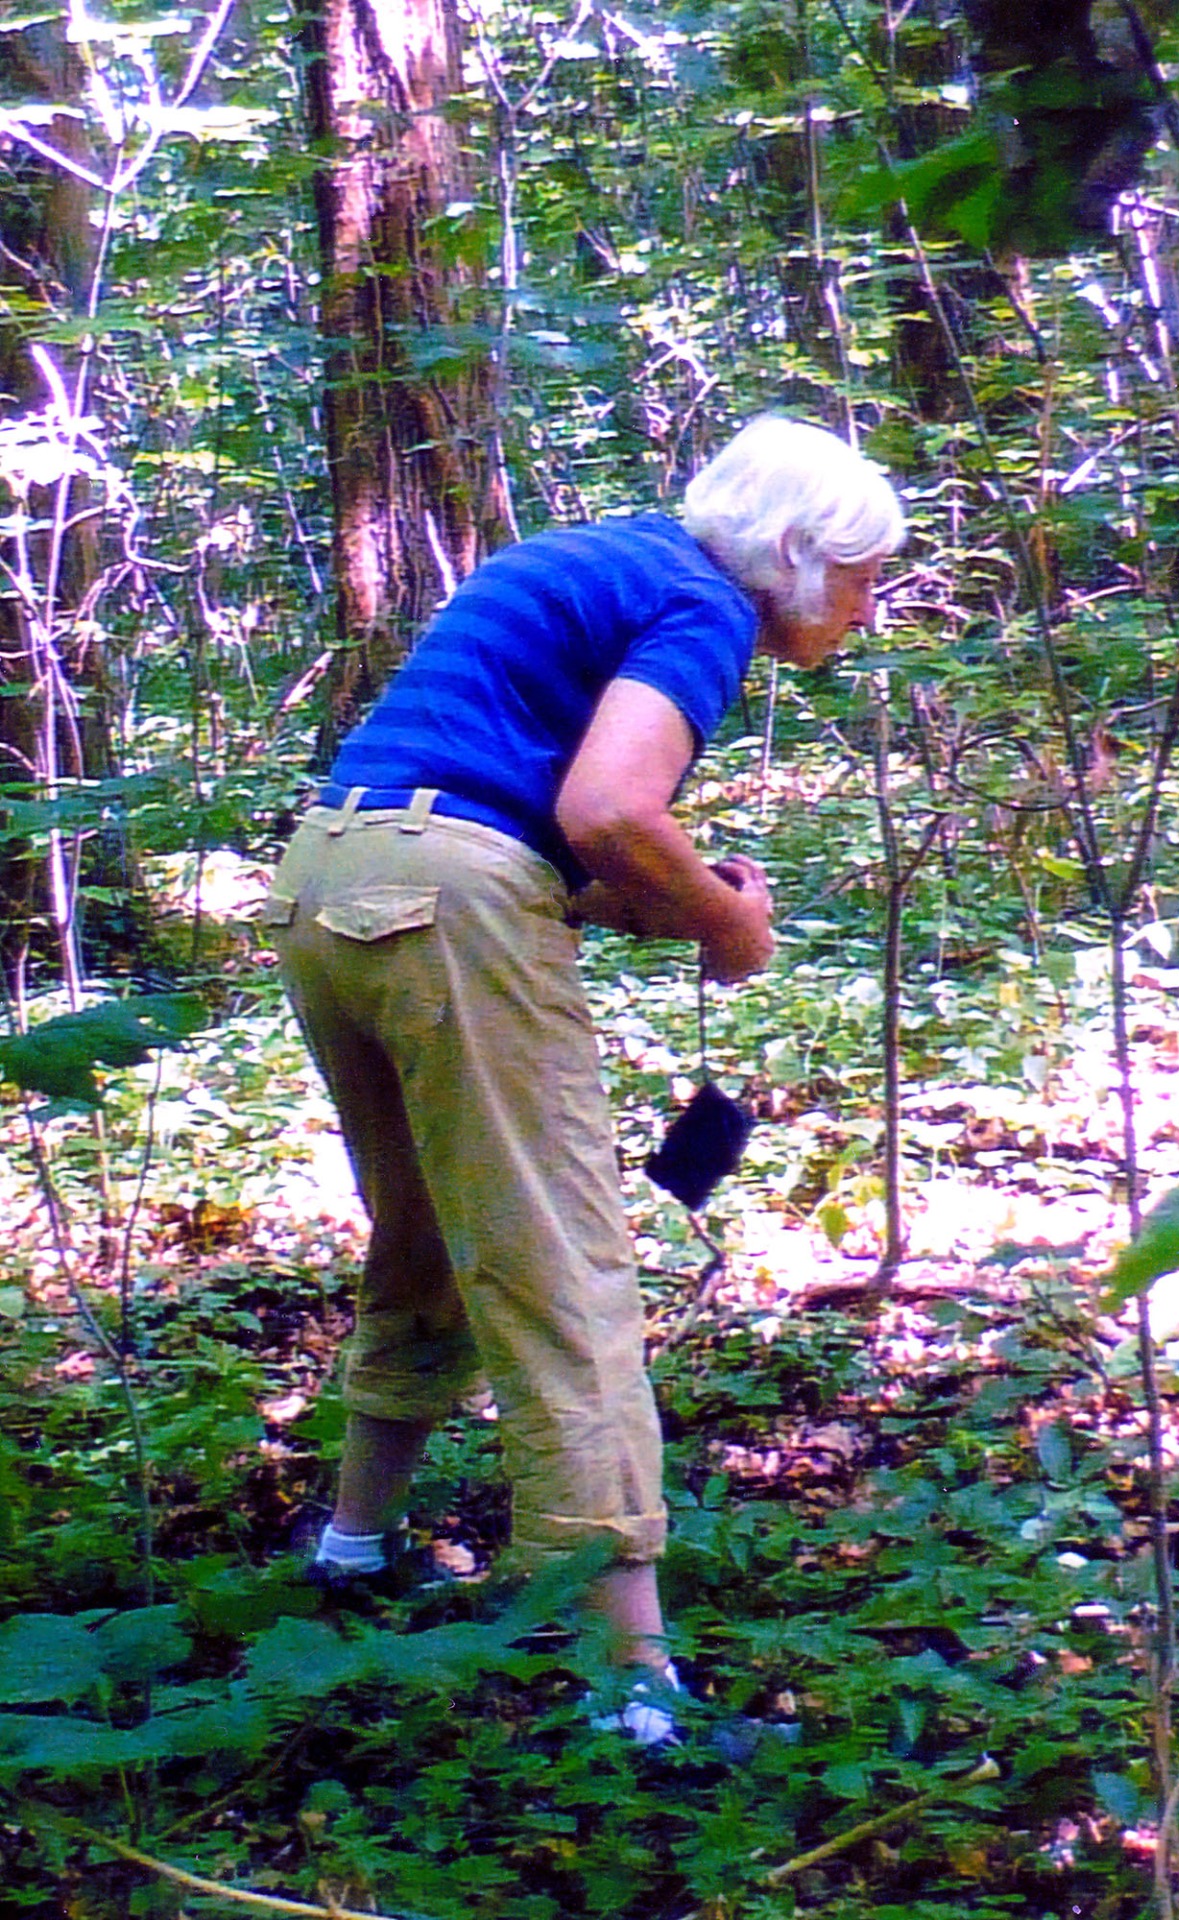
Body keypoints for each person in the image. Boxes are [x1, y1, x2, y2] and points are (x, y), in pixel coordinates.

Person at [264, 414, 905, 1740]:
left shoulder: (603, 557)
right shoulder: (701, 604)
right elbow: (604, 813)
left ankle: (351, 1549)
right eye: (856, 571)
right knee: (562, 1261)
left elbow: (502, 814)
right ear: (787, 554)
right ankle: (636, 1699)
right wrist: (727, 926)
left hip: (331, 877)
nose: (866, 604)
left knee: (430, 1234)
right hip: (444, 898)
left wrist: (668, 901)